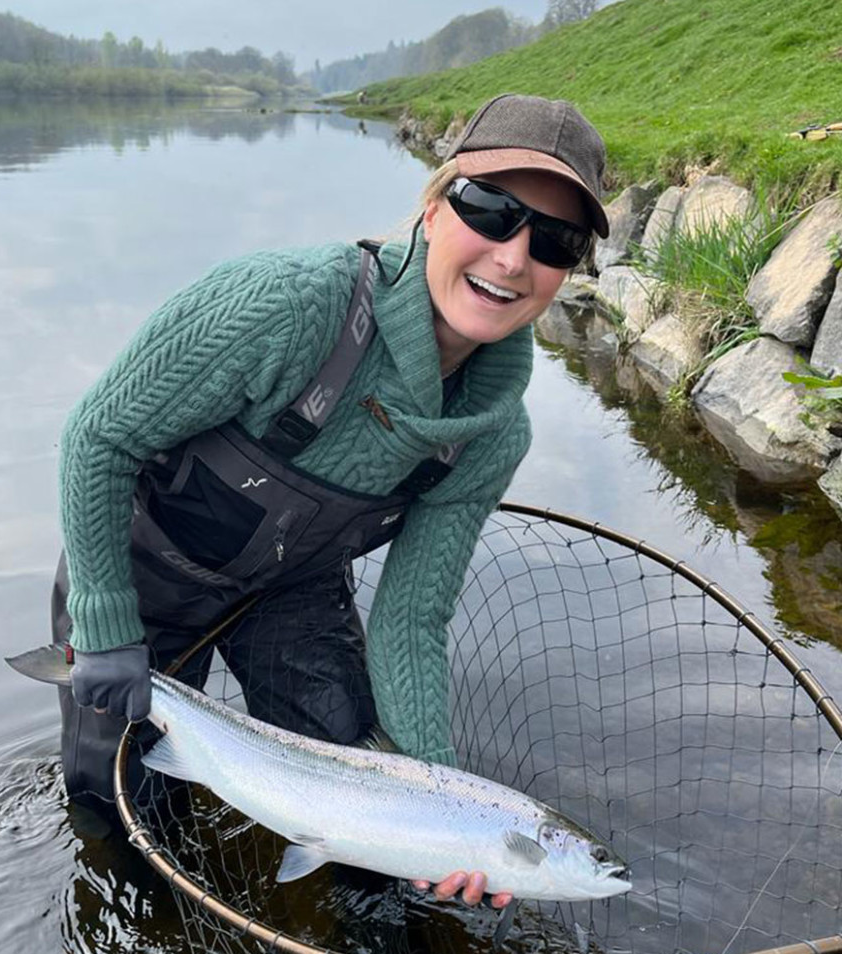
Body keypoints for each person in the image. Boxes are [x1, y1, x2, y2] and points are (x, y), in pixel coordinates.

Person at [51, 93, 609, 908]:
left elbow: (413, 620)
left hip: (293, 591)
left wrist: (439, 808)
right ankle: (144, 923)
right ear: (432, 203)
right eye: (490, 210)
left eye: (555, 239)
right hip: (138, 577)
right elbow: (97, 438)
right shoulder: (289, 305)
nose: (513, 257)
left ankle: (369, 938)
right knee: (118, 806)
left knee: (361, 805)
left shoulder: (491, 434)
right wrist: (103, 626)